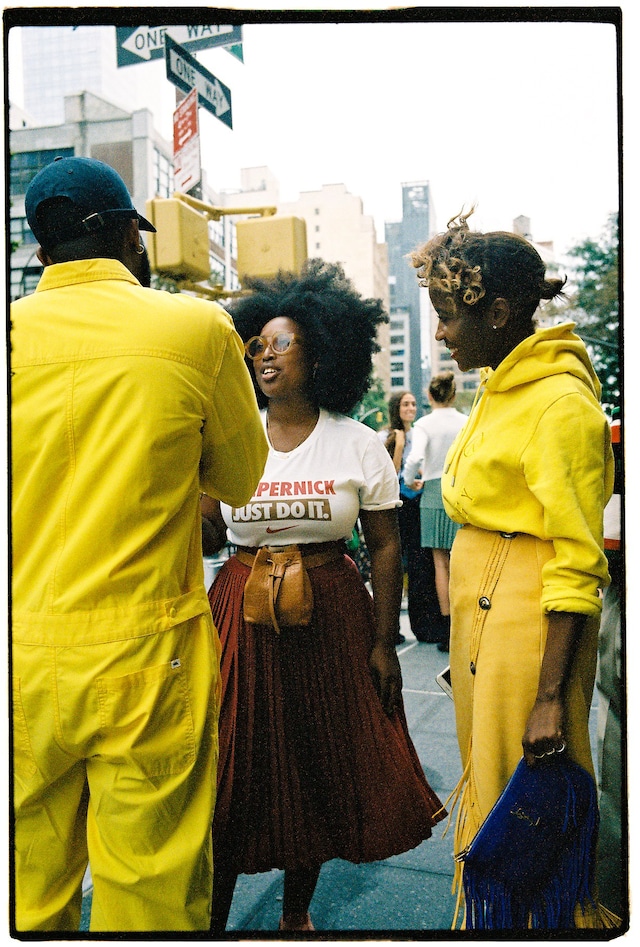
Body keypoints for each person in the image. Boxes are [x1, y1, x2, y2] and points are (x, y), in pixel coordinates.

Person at [11, 156, 268, 932]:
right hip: (148, 652)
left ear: (43, 249)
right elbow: (240, 476)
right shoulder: (193, 328)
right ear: (130, 235)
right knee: (151, 889)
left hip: (18, 652)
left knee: (23, 889)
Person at [201, 259, 446, 933]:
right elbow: (206, 535)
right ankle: (211, 918)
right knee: (235, 766)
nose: (266, 356)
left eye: (283, 343)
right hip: (241, 606)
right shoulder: (228, 435)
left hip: (333, 608)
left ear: (323, 352)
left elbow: (388, 544)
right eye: (257, 345)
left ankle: (296, 911)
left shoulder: (359, 441)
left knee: (316, 760)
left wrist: (382, 642)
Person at [410, 210, 615, 929]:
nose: (440, 331)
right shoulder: (503, 383)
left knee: (521, 811)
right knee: (496, 795)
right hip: (487, 623)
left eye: (447, 315)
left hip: (527, 632)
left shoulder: (559, 401)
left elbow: (575, 562)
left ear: (498, 311)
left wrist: (550, 695)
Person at [403, 372, 468, 652]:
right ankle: (467, 625)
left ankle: (449, 628)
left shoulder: (424, 424)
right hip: (461, 491)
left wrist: (408, 481)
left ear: (430, 396)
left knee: (440, 563)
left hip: (432, 491)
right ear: (453, 395)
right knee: (464, 560)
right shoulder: (466, 421)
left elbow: (415, 458)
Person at [379, 391, 441, 643]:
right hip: (396, 505)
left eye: (414, 404)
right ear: (397, 408)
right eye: (405, 404)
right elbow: (387, 473)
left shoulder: (420, 433)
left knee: (422, 564)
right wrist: (400, 445)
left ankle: (426, 624)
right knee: (396, 563)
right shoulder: (384, 435)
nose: (411, 408)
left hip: (418, 502)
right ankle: (390, 628)